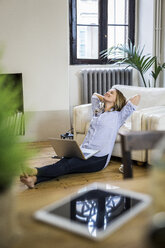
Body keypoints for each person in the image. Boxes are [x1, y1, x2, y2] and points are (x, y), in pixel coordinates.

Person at [20, 88, 140, 189]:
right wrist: (105, 98)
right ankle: (34, 180)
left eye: (111, 93)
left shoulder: (119, 116)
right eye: (107, 91)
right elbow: (94, 96)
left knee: (67, 166)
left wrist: (121, 102)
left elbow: (137, 98)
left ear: (117, 99)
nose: (107, 93)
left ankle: (35, 171)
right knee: (64, 163)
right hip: (84, 151)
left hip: (98, 159)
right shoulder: (98, 112)